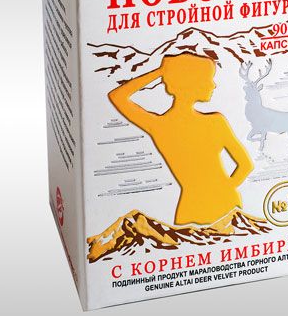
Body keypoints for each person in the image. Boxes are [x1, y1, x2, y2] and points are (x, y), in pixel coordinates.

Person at [108, 53, 254, 225]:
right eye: (208, 79)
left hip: (191, 207)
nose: (213, 85)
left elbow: (118, 97)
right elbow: (245, 165)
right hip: (224, 203)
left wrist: (160, 72)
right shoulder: (215, 123)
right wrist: (223, 189)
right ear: (192, 84)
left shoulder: (159, 127)